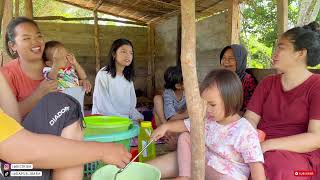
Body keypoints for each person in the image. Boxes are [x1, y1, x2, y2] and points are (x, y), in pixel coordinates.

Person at [0, 71, 131, 179]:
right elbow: (25, 152)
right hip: (9, 169)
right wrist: (103, 151)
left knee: (60, 104)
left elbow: (13, 121)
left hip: (9, 165)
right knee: (65, 105)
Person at [1, 16, 82, 180]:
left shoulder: (56, 67)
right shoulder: (7, 75)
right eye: (26, 38)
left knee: (68, 110)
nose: (36, 42)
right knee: (58, 103)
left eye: (38, 36)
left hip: (64, 140)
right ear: (12, 45)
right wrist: (39, 94)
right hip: (25, 151)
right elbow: (8, 123)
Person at [150, 69, 265, 180]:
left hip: (227, 175)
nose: (207, 109)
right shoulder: (209, 119)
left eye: (212, 104)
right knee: (186, 136)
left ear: (231, 101)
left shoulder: (245, 131)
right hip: (205, 166)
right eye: (205, 104)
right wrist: (165, 127)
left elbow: (256, 167)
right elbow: (185, 125)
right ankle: (185, 176)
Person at [244, 26, 320, 180]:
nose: (275, 53)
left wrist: (268, 146)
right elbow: (250, 119)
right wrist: (249, 140)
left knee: (278, 167)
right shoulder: (267, 83)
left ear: (300, 53)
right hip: (259, 148)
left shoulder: (317, 86)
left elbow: (316, 138)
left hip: (303, 162)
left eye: (281, 48)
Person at [92, 38, 143, 123]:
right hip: (105, 120)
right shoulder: (103, 75)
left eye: (131, 53)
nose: (128, 55)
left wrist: (138, 117)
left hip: (124, 120)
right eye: (123, 51)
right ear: (114, 54)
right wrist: (126, 120)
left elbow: (131, 107)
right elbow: (104, 107)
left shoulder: (128, 78)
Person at [220, 44, 257, 111]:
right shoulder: (219, 79)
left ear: (240, 60)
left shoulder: (248, 81)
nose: (226, 62)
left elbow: (249, 111)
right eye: (223, 58)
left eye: (231, 58)